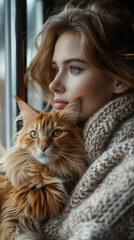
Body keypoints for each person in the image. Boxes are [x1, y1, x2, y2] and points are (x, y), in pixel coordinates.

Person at [23, 0, 134, 239]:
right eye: (55, 69)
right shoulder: (69, 147)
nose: (54, 84)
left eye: (74, 68)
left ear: (119, 80)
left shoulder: (128, 155)